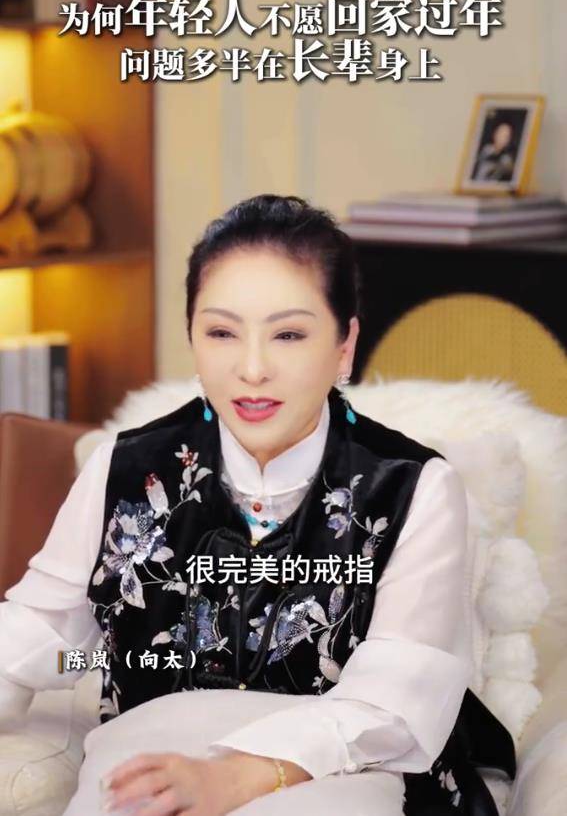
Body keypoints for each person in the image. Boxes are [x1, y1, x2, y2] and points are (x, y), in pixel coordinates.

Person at [0, 194, 515, 815]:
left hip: (343, 772)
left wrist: (237, 777)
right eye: (222, 332)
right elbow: (47, 634)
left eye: (288, 334)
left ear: (345, 345)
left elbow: (394, 699)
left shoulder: (412, 486)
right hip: (149, 759)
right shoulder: (127, 467)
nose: (251, 369)